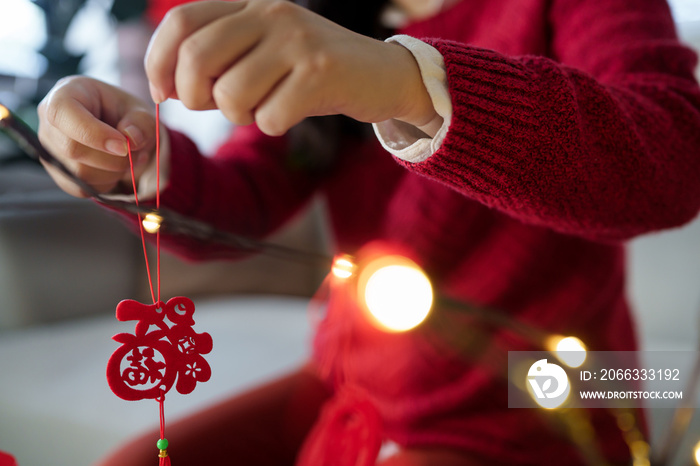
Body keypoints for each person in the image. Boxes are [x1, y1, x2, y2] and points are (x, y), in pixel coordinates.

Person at [37, 0, 700, 464]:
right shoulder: (329, 16)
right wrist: (144, 161)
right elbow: (250, 193)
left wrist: (401, 84)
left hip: (535, 397)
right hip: (357, 381)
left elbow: (671, 159)